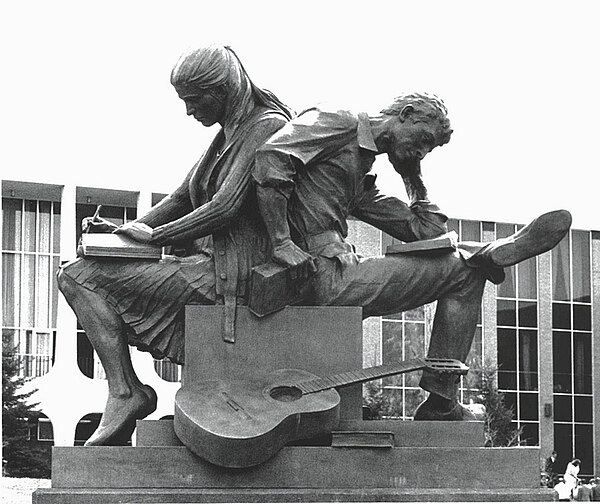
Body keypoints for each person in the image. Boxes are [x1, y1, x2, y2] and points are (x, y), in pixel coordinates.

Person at [252, 94, 572, 419]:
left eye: (428, 149)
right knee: (465, 272)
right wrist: (281, 243)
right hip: (317, 273)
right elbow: (271, 156)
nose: (422, 151)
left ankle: (483, 256)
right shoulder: (339, 120)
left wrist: (412, 176)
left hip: (336, 269)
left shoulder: (358, 173)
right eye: (423, 140)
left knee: (464, 268)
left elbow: (425, 233)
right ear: (405, 115)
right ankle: (441, 403)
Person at [57, 45, 293, 446]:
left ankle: (127, 392)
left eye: (193, 100)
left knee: (78, 278)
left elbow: (226, 206)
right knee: (75, 271)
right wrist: (123, 231)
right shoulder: (226, 135)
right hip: (205, 264)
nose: (188, 111)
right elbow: (182, 198)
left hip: (228, 273)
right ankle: (126, 390)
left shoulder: (266, 126)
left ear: (223, 89)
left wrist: (158, 237)